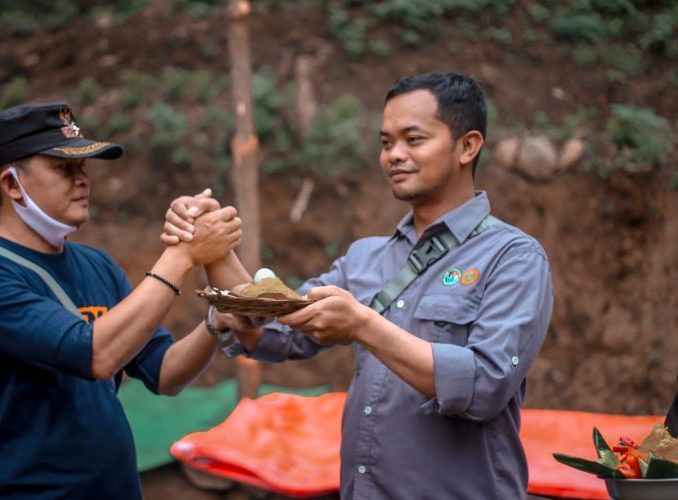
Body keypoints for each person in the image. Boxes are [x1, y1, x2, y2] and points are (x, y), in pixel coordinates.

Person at [164, 73, 554, 499]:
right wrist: (214, 248)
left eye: (414, 139)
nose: (394, 155)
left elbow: (485, 386)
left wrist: (363, 325)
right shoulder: (365, 257)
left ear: (467, 146)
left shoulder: (513, 257)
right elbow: (271, 330)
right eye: (386, 142)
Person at [0, 102, 243, 499]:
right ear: (12, 184)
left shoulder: (96, 265)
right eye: (63, 168)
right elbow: (94, 355)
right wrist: (183, 254)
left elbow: (165, 373)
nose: (82, 180)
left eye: (83, 168)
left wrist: (215, 323)